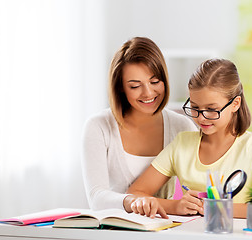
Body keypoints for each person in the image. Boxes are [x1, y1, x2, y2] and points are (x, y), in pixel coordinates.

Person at [125, 58, 252, 219]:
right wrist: (175, 206)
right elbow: (135, 193)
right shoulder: (182, 144)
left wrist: (218, 208)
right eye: (195, 108)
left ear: (235, 104)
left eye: (211, 109)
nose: (201, 117)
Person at [81, 37, 197, 211]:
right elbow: (97, 198)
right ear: (120, 87)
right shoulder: (98, 127)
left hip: (168, 230)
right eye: (135, 86)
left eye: (155, 82)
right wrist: (133, 202)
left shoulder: (182, 127)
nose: (148, 93)